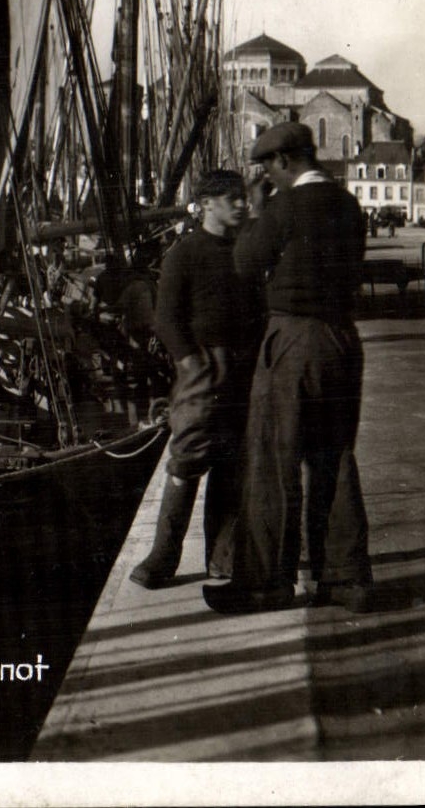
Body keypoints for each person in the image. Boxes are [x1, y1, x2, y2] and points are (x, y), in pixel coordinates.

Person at [204, 122, 373, 616]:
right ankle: (347, 580)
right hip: (342, 339)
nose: (266, 180)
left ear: (283, 162)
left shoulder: (284, 207)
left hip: (294, 340)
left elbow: (245, 260)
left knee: (272, 462)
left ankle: (265, 583)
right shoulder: (348, 204)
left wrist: (258, 211)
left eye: (267, 171)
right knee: (334, 458)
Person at [129, 170, 262, 589]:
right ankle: (162, 557)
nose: (241, 204)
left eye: (242, 198)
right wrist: (189, 362)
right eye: (231, 198)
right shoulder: (184, 254)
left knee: (232, 463)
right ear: (206, 204)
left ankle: (223, 559)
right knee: (187, 460)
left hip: (244, 368)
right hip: (203, 369)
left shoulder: (245, 252)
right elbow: (165, 318)